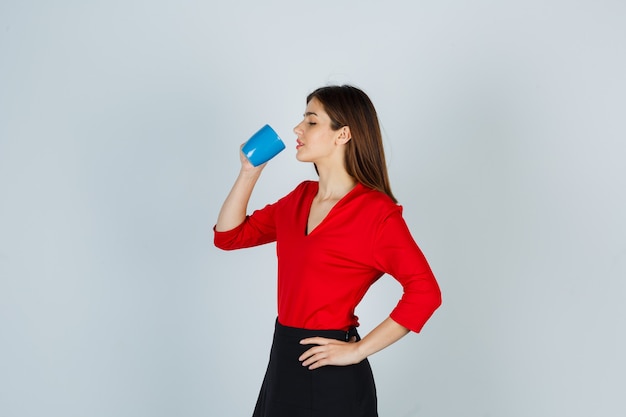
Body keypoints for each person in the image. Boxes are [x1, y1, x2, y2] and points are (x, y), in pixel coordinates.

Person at [214, 85, 441, 417]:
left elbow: (425, 293)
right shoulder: (299, 198)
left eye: (311, 121)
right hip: (284, 359)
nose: (298, 129)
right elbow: (229, 236)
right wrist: (249, 172)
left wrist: (359, 350)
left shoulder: (376, 213)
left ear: (343, 134)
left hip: (331, 371)